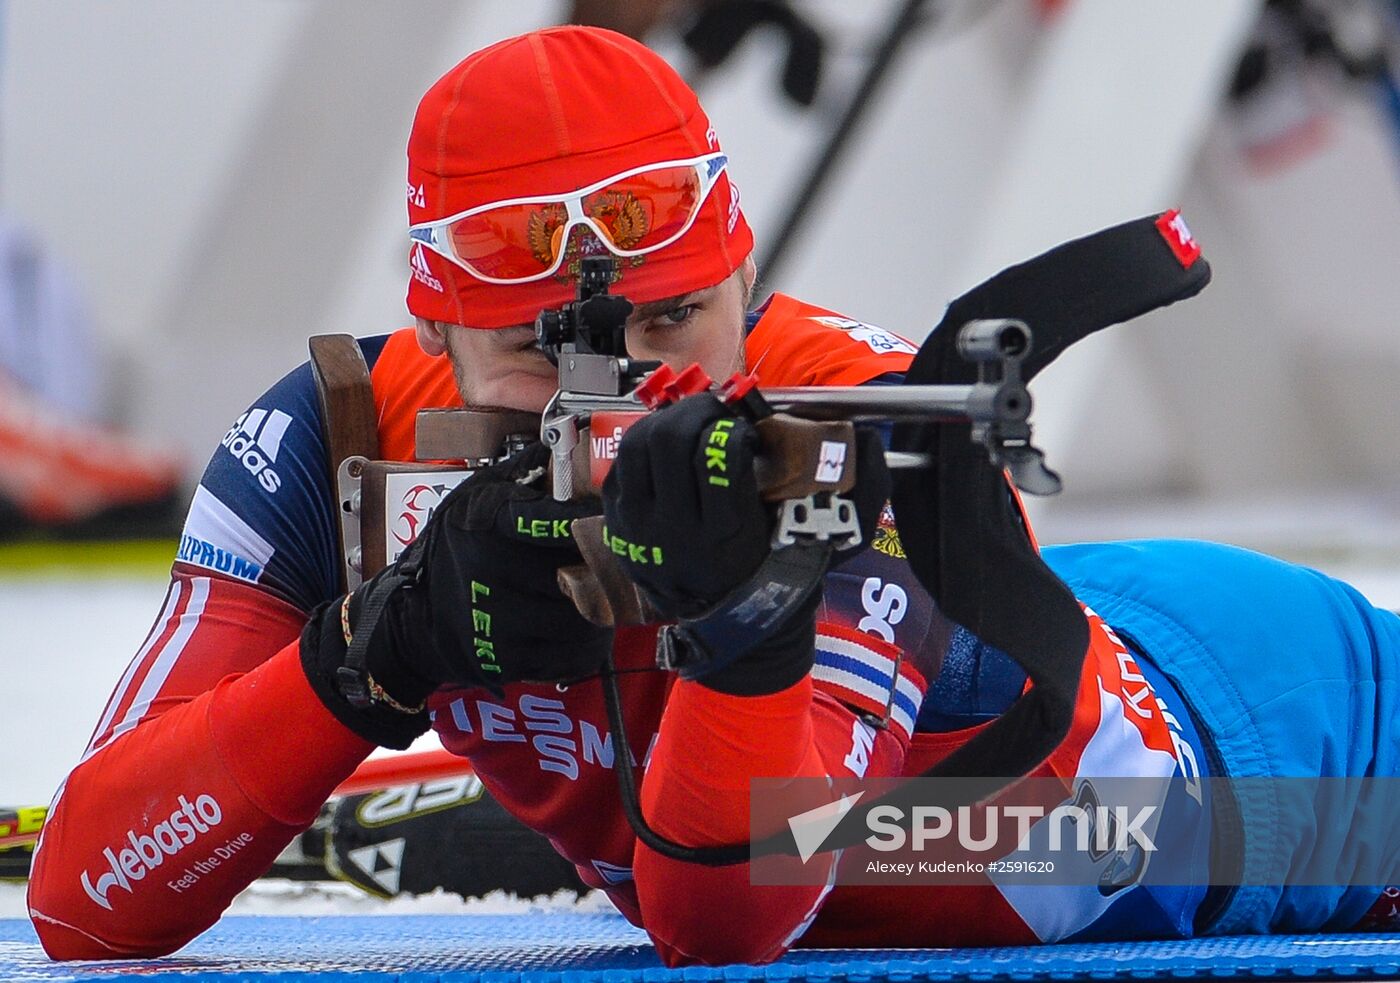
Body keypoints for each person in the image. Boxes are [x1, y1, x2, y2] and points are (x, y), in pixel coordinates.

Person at [24, 25, 1400, 966]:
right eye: (534, 352)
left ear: (745, 279)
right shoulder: (330, 446)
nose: (617, 395)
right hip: (859, 807)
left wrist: (754, 628)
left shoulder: (850, 426)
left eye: (675, 322)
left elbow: (723, 926)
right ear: (428, 327)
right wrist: (363, 661)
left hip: (1277, 767)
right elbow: (89, 899)